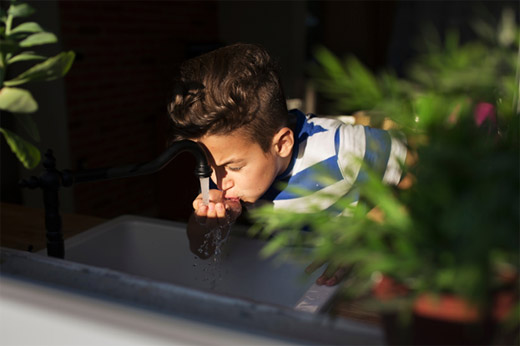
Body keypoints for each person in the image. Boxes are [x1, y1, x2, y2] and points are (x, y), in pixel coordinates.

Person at [167, 43, 408, 286]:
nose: (220, 181)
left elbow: (424, 171)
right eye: (209, 167)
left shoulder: (339, 148)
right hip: (301, 278)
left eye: (235, 167)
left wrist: (364, 233)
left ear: (282, 144)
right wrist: (207, 223)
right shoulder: (221, 173)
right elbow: (202, 251)